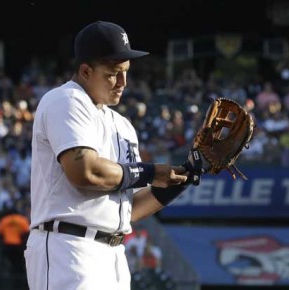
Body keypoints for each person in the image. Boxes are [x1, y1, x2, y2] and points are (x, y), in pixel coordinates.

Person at [24, 20, 190, 290]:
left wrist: (182, 178)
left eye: (126, 71)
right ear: (86, 71)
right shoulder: (65, 100)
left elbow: (127, 210)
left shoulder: (121, 124)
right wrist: (150, 172)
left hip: (113, 255)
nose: (123, 82)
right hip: (68, 248)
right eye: (113, 73)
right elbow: (86, 172)